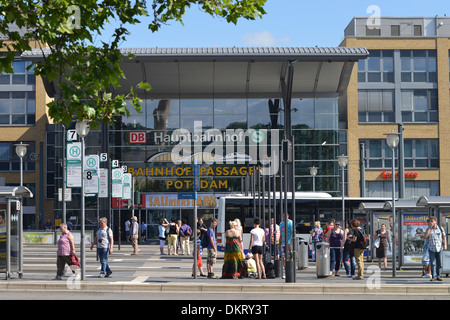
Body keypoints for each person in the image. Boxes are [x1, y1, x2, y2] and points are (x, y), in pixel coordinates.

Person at [424, 216, 447, 281]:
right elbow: (426, 236)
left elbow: (444, 237)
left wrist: (445, 245)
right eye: (430, 221)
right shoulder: (429, 229)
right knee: (433, 263)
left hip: (439, 248)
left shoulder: (440, 228)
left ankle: (438, 276)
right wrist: (429, 228)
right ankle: (433, 276)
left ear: (435, 221)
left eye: (432, 221)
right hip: (432, 248)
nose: (431, 222)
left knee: (439, 263)